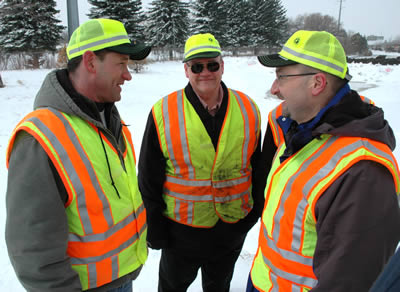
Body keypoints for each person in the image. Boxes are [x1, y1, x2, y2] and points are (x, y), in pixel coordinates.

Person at [247, 30, 400, 292]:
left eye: (281, 77)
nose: (274, 89)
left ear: (317, 83)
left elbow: (349, 283)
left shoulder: (362, 172)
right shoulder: (301, 130)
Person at [5, 18, 151, 291]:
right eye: (121, 64)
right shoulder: (41, 138)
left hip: (122, 277)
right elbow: (33, 249)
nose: (128, 75)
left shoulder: (107, 118)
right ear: (91, 62)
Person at [138, 32, 262, 292]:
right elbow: (149, 175)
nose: (205, 72)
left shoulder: (248, 108)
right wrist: (156, 228)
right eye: (197, 66)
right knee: (172, 287)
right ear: (186, 70)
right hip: (182, 234)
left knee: (219, 286)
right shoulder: (164, 111)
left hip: (231, 228)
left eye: (212, 65)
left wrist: (251, 216)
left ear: (222, 66)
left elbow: (258, 169)